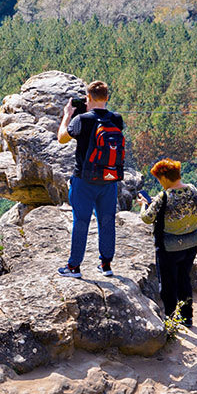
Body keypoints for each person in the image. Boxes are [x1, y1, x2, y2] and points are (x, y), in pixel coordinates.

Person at [56, 80, 124, 279]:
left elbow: (62, 138)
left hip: (84, 180)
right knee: (107, 220)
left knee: (81, 221)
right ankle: (106, 264)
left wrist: (67, 115)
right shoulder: (117, 119)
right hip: (110, 178)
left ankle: (74, 267)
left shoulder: (82, 120)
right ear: (107, 98)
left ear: (88, 98)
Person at [138, 159, 197, 328]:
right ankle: (187, 318)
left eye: (159, 179)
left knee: (167, 284)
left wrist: (144, 205)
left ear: (164, 178)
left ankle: (171, 319)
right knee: (184, 279)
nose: (160, 182)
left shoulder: (164, 196)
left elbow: (147, 218)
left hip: (170, 246)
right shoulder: (193, 190)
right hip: (192, 243)